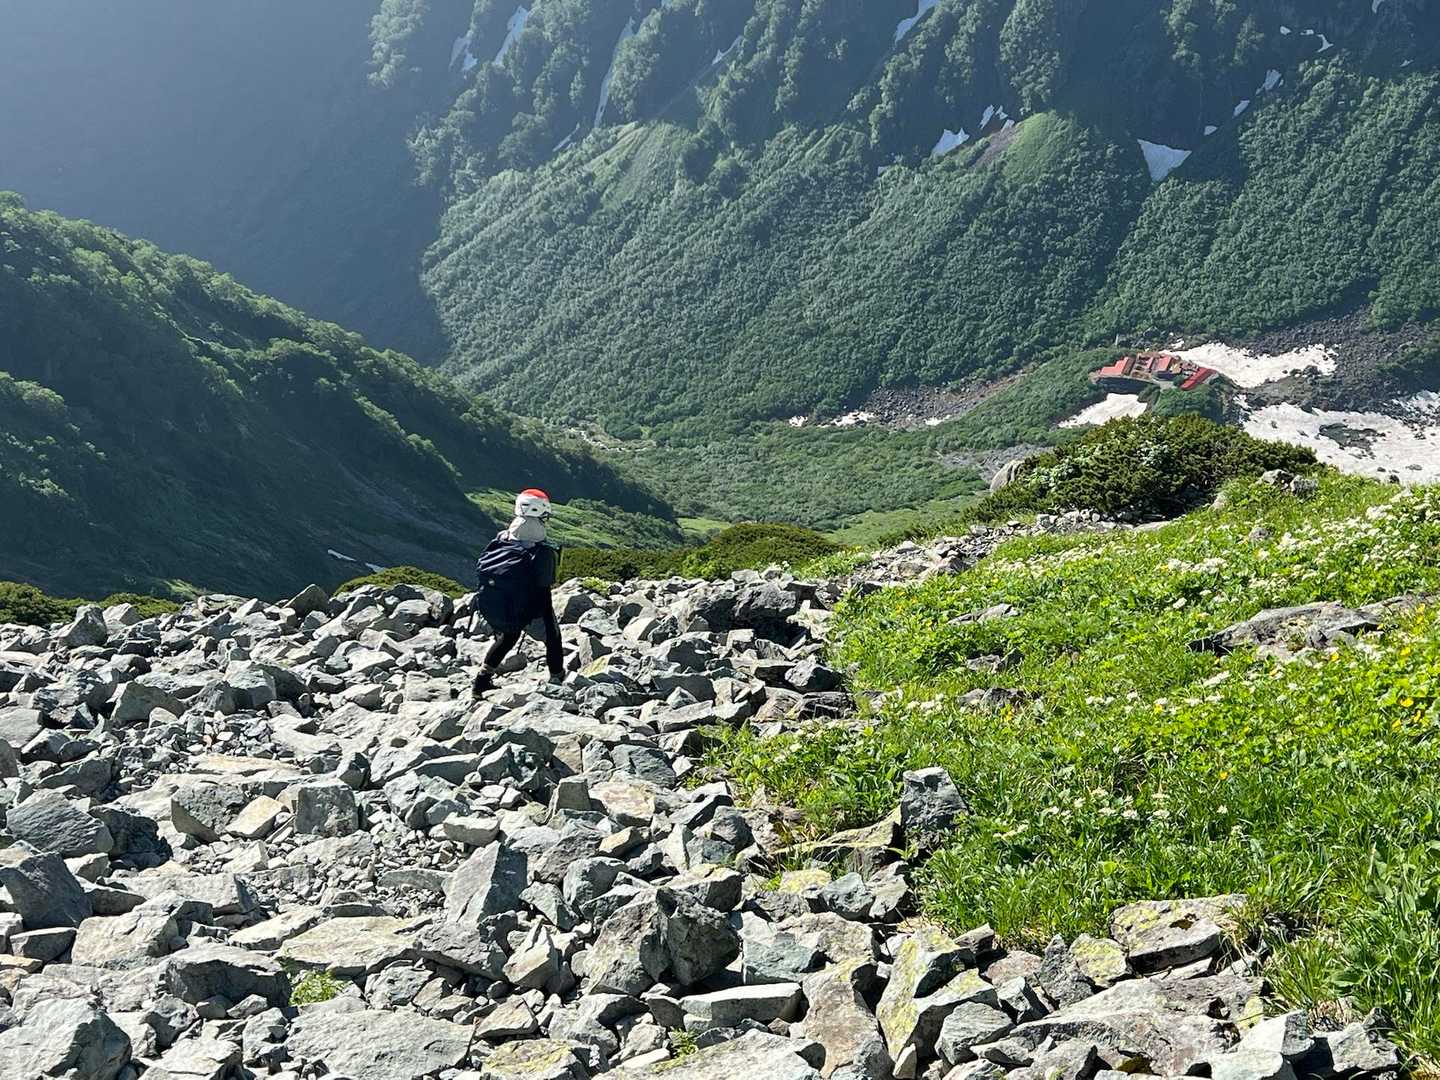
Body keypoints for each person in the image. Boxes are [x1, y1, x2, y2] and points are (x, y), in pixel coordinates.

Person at [471, 488, 564, 697]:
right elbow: (544, 587)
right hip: (527, 606)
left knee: (509, 635)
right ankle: (557, 681)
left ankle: (480, 682)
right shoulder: (542, 552)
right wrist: (545, 615)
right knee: (553, 638)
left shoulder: (502, 538)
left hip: (498, 603)